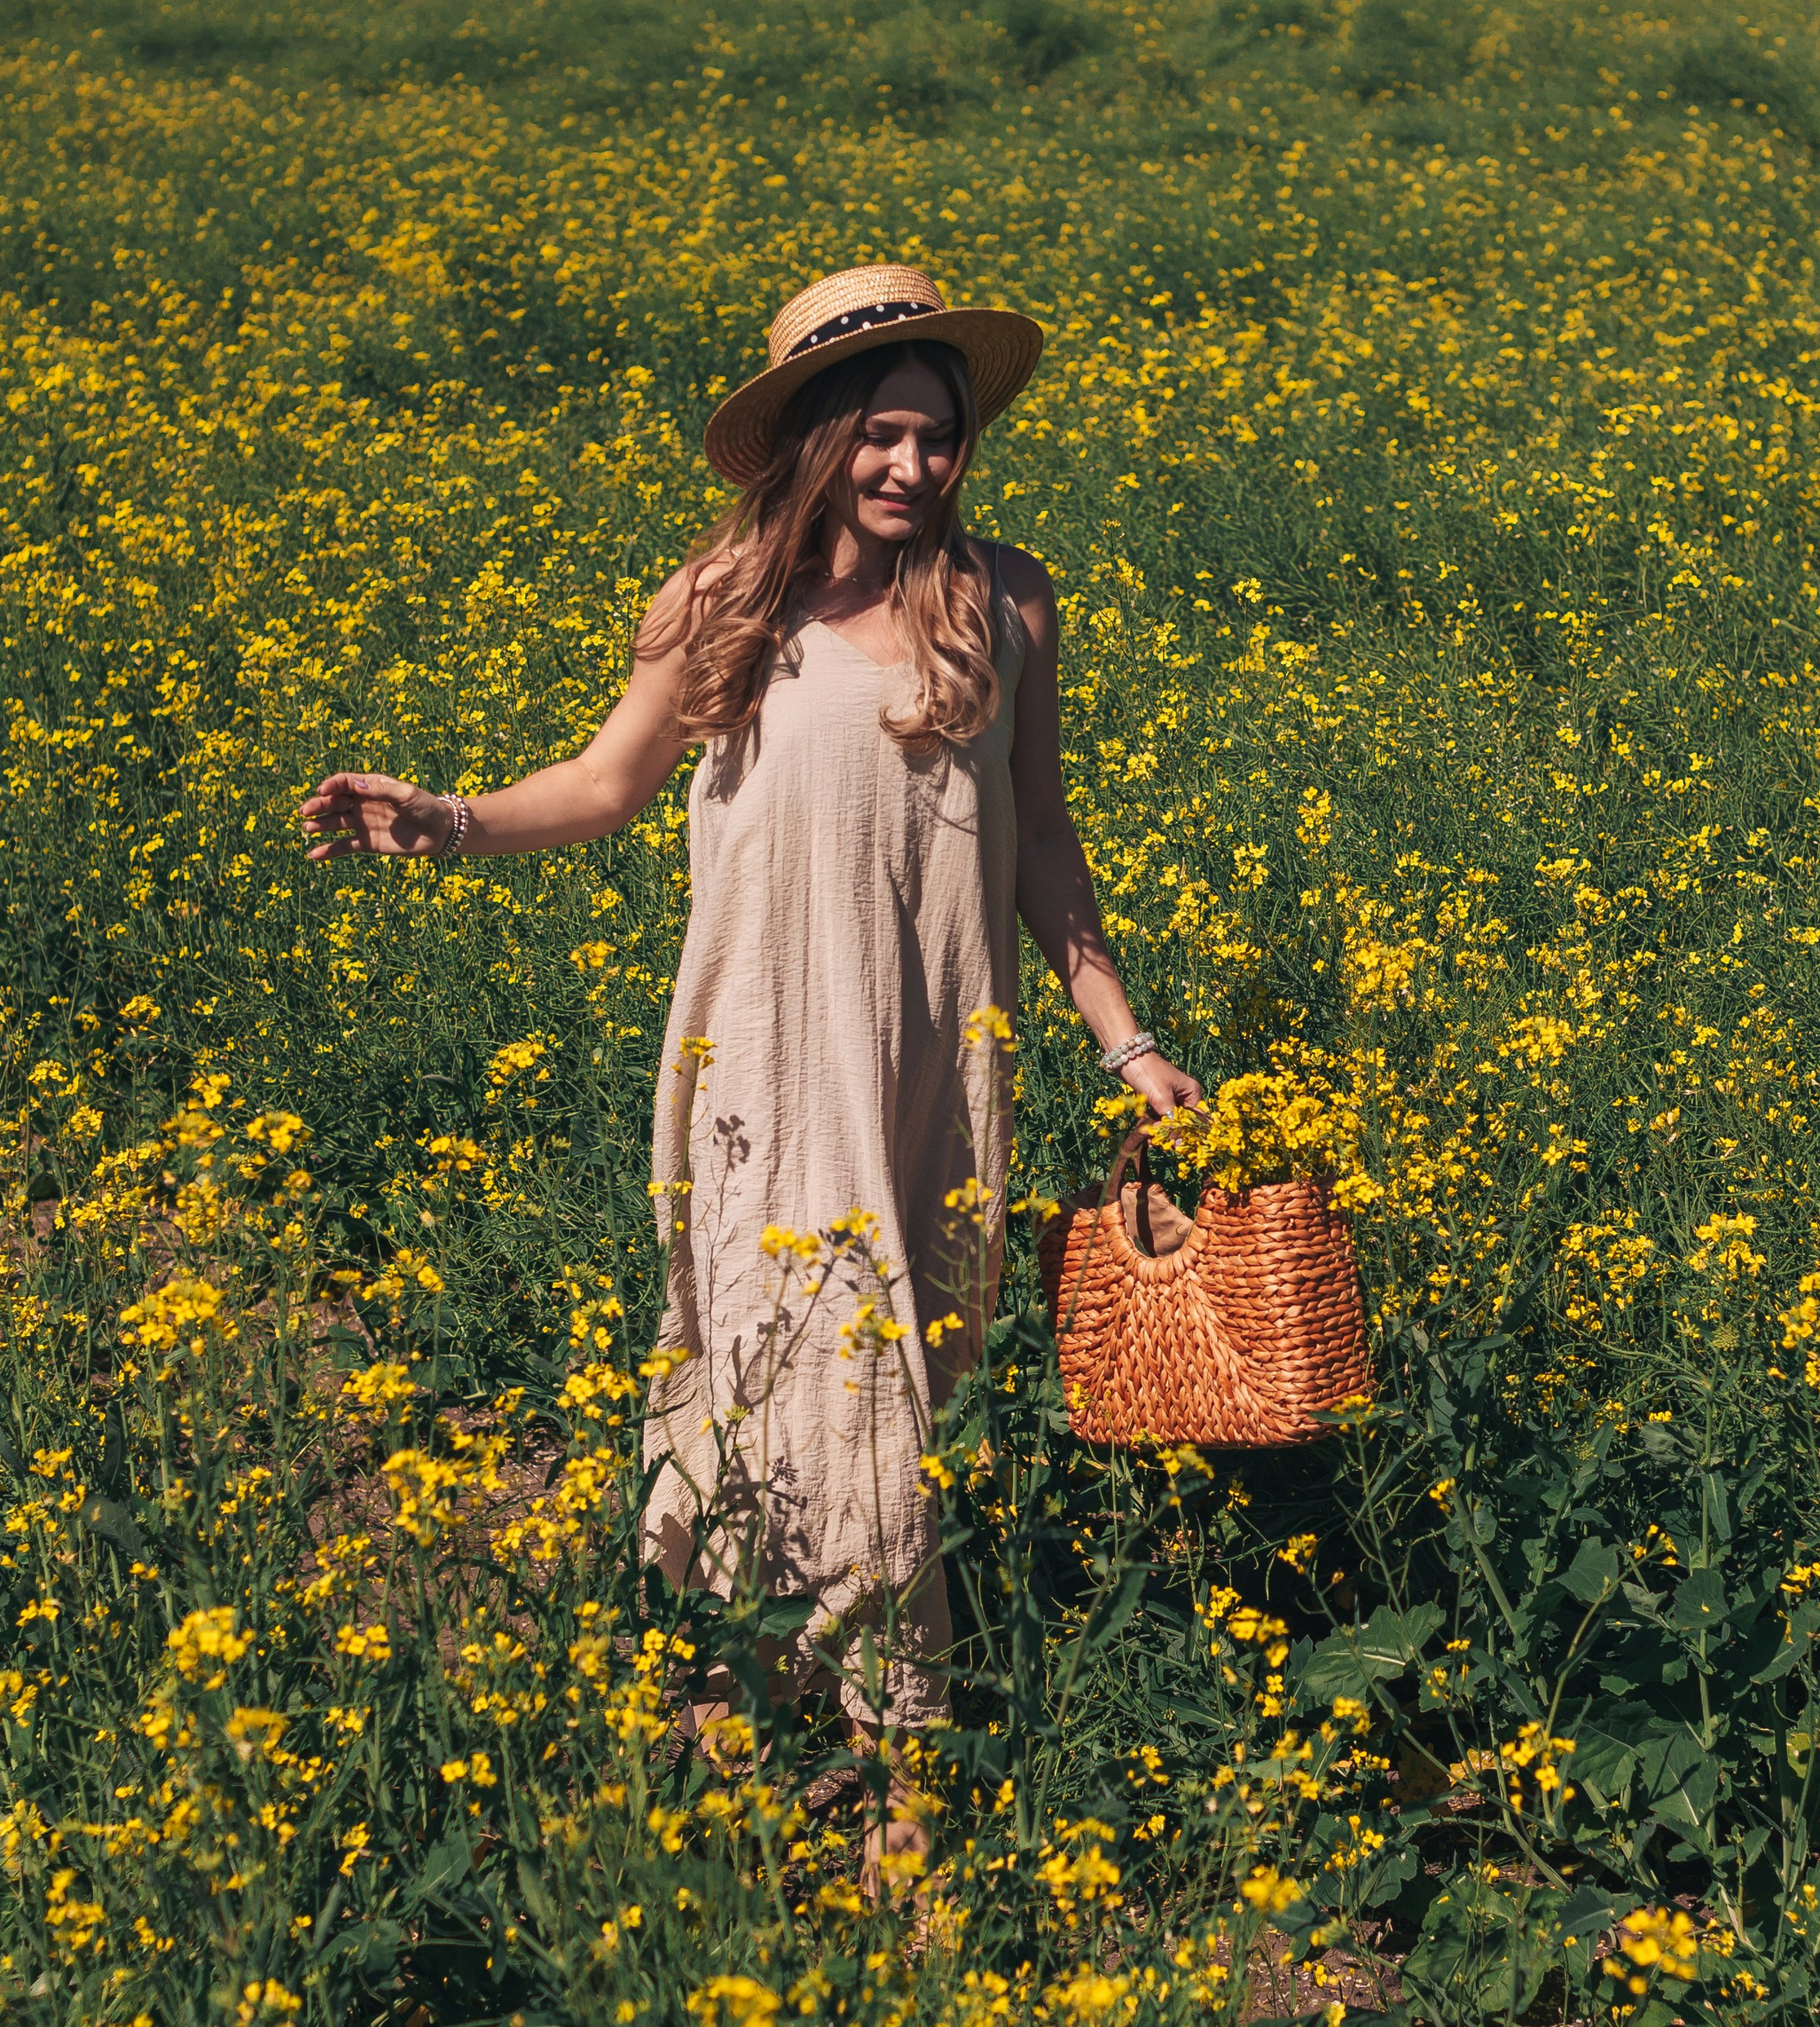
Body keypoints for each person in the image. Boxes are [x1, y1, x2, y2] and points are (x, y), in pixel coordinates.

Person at [300, 260, 1201, 1877]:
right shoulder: (722, 603)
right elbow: (603, 781)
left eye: (940, 438)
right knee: (770, 1374)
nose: (916, 469)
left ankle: (877, 1774)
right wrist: (448, 818)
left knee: (892, 1396)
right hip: (769, 1060)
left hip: (933, 1063)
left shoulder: (1012, 601)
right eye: (884, 437)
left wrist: (1126, 1039)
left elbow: (1044, 848)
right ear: (817, 436)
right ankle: (796, 1736)